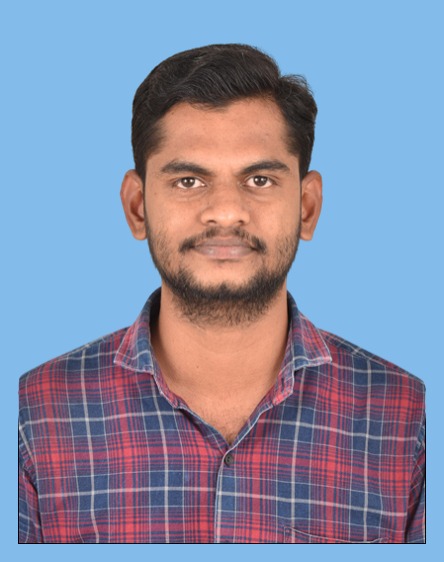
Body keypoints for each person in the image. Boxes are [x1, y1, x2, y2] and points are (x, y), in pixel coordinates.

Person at [18, 44, 425, 544]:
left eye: (259, 179)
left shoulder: (407, 420)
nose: (226, 211)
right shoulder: (34, 417)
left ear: (307, 207)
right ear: (138, 207)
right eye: (189, 180)